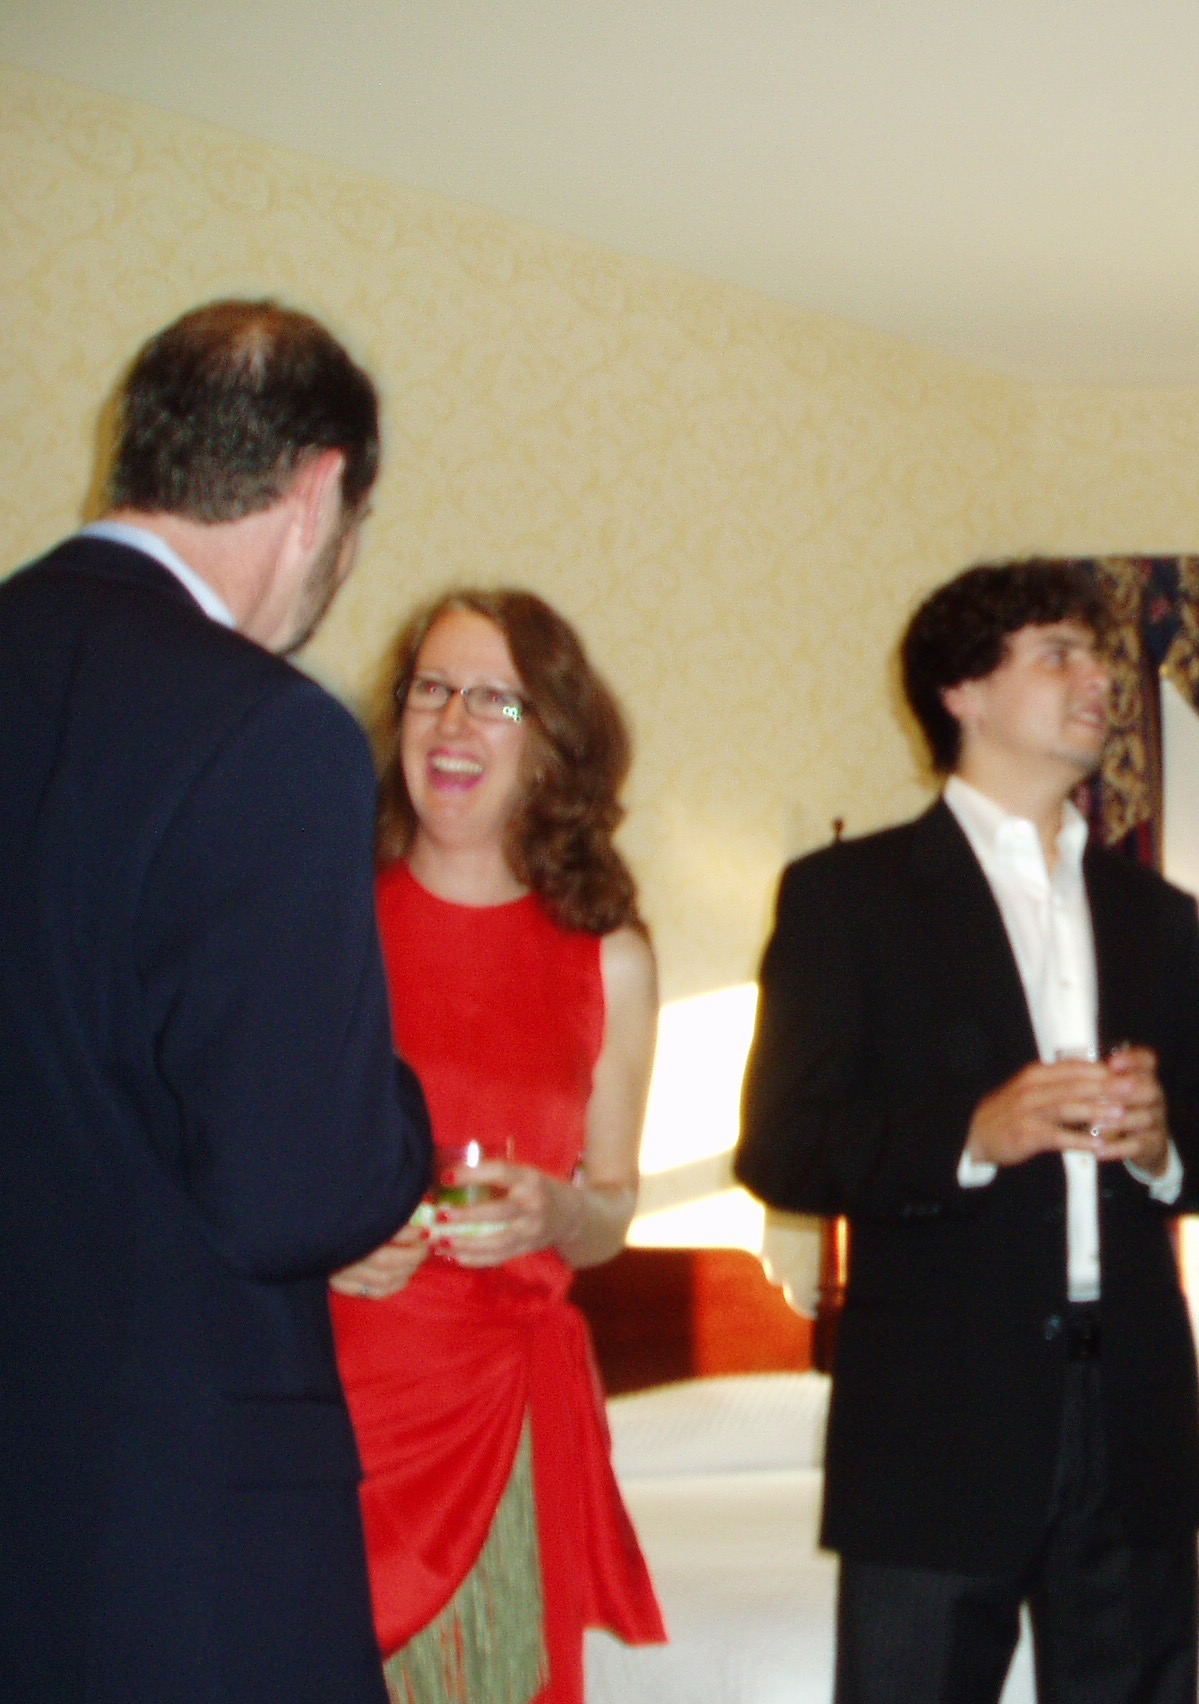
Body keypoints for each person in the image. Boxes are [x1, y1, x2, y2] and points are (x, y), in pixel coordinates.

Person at [0, 300, 433, 1703]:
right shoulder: (270, 733)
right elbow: (299, 1194)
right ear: (319, 493)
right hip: (172, 1540)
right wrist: (401, 1115)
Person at [737, 560, 1199, 1704]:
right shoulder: (846, 898)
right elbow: (781, 1145)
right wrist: (972, 1133)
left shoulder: (1160, 917)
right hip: (933, 1423)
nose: (1099, 680)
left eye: (1101, 656)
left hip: (1134, 1423)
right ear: (961, 692)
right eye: (1058, 654)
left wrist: (1164, 1146)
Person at [329, 588, 667, 1704]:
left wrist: (560, 1213)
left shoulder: (608, 958)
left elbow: (611, 1209)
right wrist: (323, 1244)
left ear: (553, 740)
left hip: (499, 1415)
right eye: (431, 688)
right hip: (326, 1407)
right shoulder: (319, 923)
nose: (451, 721)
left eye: (494, 699)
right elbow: (225, 1173)